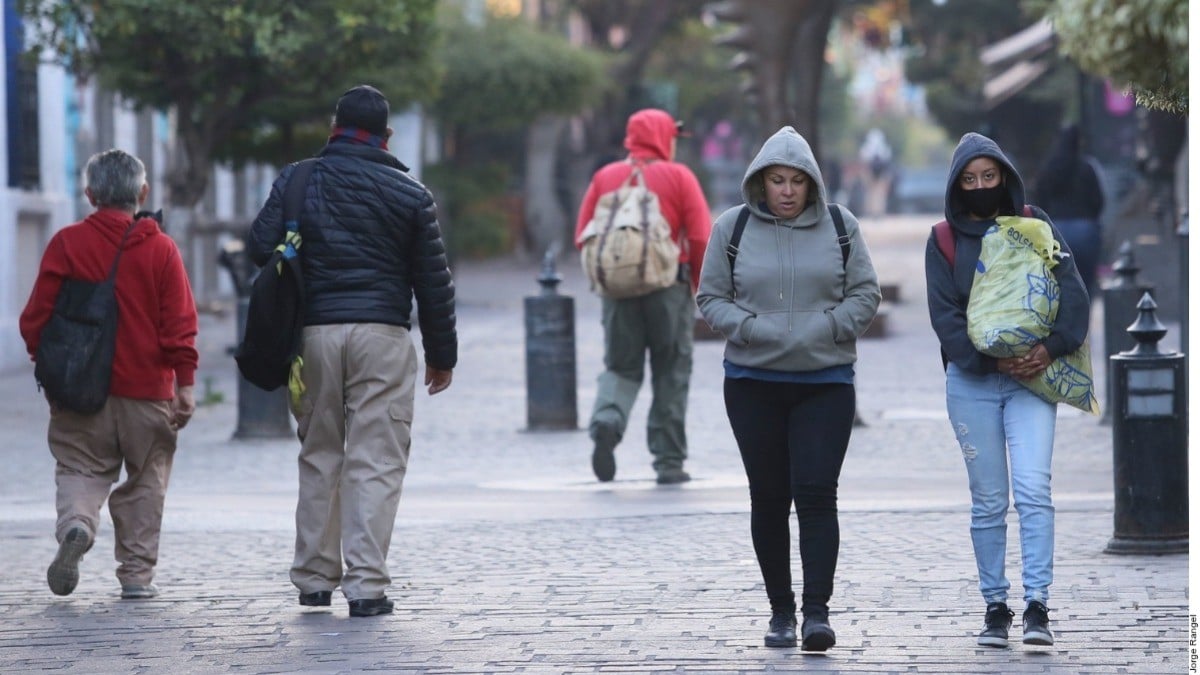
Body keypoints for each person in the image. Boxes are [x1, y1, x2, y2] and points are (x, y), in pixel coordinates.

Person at [248, 85, 457, 618]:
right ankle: (365, 587)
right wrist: (441, 354)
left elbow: (259, 244)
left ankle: (314, 578)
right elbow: (433, 282)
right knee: (376, 459)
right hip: (383, 337)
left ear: (332, 127)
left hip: (314, 335)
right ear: (386, 137)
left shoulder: (297, 179)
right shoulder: (410, 194)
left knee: (320, 453)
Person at [697, 126, 881, 650]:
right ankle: (781, 611)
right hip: (753, 383)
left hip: (826, 382)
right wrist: (753, 329)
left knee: (818, 494)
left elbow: (865, 293)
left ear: (812, 184)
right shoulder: (730, 229)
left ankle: (816, 614)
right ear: (760, 182)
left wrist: (825, 328)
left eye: (796, 181)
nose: (785, 190)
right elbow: (710, 297)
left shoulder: (842, 226)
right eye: (776, 180)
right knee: (770, 497)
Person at [925, 132, 1090, 648]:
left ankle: (1037, 605)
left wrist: (1050, 348)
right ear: (956, 185)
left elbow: (1073, 292)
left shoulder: (1035, 225)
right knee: (989, 500)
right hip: (972, 383)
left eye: (988, 177)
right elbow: (945, 318)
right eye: (969, 180)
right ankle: (995, 607)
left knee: (1035, 491)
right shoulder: (942, 239)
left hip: (1032, 379)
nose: (980, 187)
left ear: (1004, 177)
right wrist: (986, 358)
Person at [19, 149, 199, 600]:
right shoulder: (160, 248)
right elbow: (179, 324)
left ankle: (77, 525)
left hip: (81, 391)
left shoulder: (67, 243)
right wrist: (187, 387)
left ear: (90, 193)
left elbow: (35, 318)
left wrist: (53, 374)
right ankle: (136, 576)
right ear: (143, 192)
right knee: (146, 479)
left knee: (80, 467)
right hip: (147, 391)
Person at [573, 108, 711, 485]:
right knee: (671, 370)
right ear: (663, 137)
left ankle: (607, 421)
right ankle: (668, 461)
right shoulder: (679, 177)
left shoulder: (606, 177)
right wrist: (699, 286)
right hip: (669, 289)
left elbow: (582, 234)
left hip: (617, 293)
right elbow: (700, 236)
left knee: (621, 367)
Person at [1033, 124, 1105, 301]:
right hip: (1085, 231)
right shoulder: (1087, 167)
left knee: (1058, 286)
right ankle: (1084, 324)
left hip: (1056, 233)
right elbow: (1098, 200)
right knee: (1086, 285)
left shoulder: (1048, 169)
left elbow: (1039, 201)